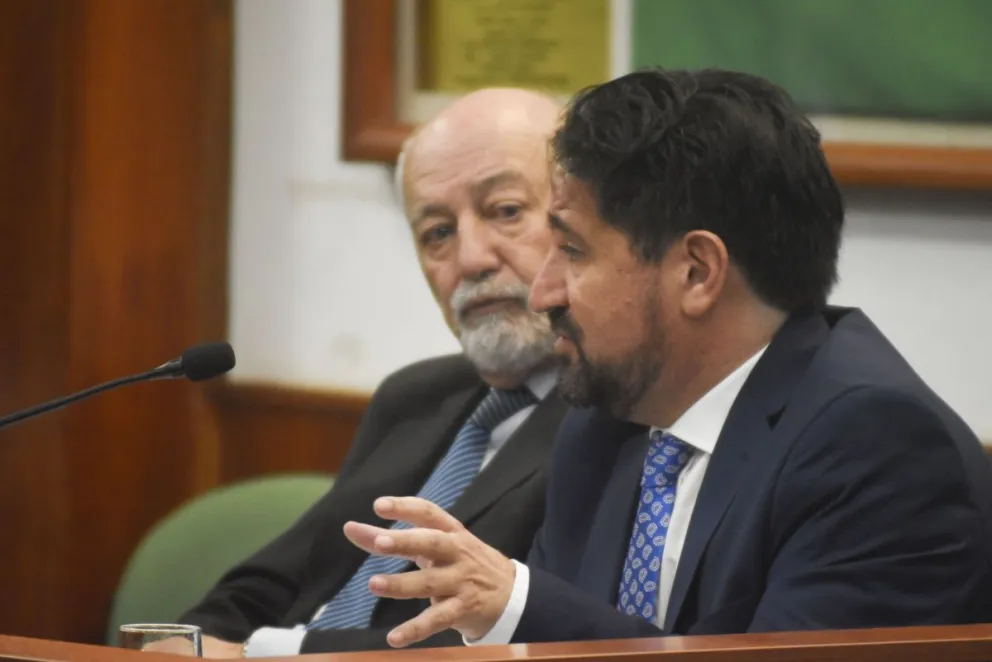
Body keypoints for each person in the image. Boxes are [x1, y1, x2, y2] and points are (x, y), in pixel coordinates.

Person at [339, 68, 992, 648]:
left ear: (697, 272)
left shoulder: (875, 447)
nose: (544, 292)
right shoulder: (602, 427)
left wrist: (518, 606)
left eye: (572, 251)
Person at [175, 87, 570, 656]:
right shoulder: (417, 395)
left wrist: (257, 655)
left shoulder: (615, 415)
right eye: (437, 232)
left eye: (505, 211)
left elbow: (504, 642)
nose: (471, 259)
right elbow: (276, 579)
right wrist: (185, 641)